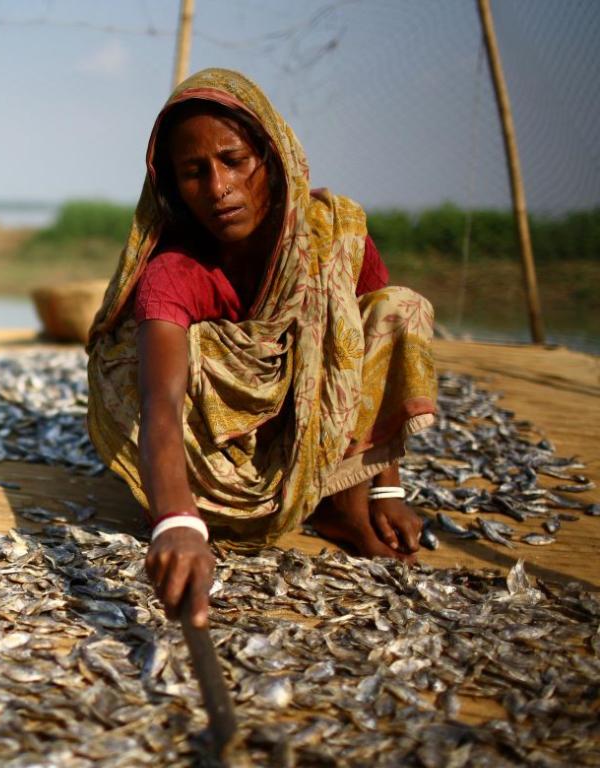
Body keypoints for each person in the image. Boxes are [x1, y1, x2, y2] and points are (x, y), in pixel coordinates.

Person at [86, 69, 438, 629]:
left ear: (271, 160)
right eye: (193, 173)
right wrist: (176, 522)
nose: (219, 187)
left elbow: (373, 353)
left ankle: (347, 498)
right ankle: (250, 506)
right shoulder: (176, 271)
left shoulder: (334, 234)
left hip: (320, 434)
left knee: (397, 308)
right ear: (173, 188)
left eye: (234, 160)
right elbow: (160, 402)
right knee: (156, 354)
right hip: (234, 456)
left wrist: (387, 485)